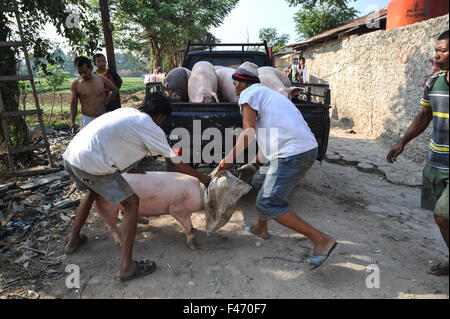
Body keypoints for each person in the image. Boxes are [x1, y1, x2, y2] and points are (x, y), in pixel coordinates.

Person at [63, 92, 211, 281]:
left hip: (72, 157)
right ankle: (127, 267)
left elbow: (117, 140)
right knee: (131, 203)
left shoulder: (126, 112)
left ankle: (73, 241)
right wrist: (202, 178)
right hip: (91, 163)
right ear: (160, 116)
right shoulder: (150, 126)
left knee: (93, 192)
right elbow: (174, 163)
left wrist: (130, 167)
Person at [218, 62, 337, 271]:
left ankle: (321, 240)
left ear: (243, 83)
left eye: (235, 82)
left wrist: (228, 159)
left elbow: (248, 132)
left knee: (269, 202)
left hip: (292, 154)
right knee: (259, 181)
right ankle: (260, 228)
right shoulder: (268, 94)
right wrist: (254, 163)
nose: (233, 87)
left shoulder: (248, 95)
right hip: (304, 149)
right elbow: (271, 135)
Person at [387, 30, 449, 276]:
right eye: (436, 50)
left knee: (443, 215)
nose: (437, 55)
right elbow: (424, 116)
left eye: (443, 50)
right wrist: (402, 142)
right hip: (435, 162)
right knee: (440, 218)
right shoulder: (434, 82)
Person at [70, 56, 118, 131]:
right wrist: (72, 121)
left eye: (85, 72)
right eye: (80, 72)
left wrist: (106, 102)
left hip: (102, 117)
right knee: (88, 142)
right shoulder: (76, 84)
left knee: (104, 141)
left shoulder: (101, 79)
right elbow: (73, 103)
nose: (83, 75)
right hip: (87, 119)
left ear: (91, 68)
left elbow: (115, 90)